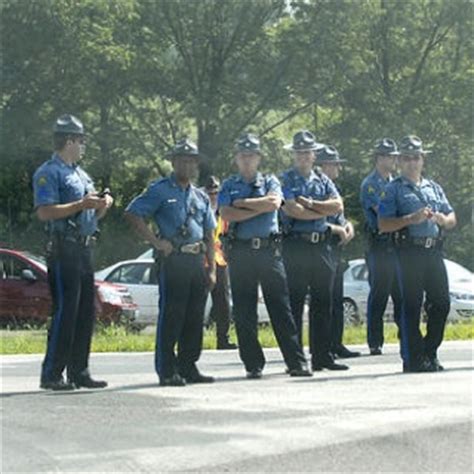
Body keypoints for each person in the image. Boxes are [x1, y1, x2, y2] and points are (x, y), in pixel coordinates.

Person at [218, 132, 311, 379]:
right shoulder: (228, 185)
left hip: (269, 251)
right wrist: (251, 207)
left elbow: (273, 204)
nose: (247, 160)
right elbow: (227, 214)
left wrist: (243, 203)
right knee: (244, 311)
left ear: (258, 157)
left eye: (251, 155)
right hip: (241, 251)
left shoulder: (270, 181)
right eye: (242, 155)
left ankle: (296, 362)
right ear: (236, 158)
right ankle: (253, 364)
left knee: (281, 308)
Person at [125, 138, 217, 386]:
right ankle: (167, 370)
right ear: (174, 162)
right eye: (183, 161)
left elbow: (210, 233)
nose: (188, 166)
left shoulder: (200, 196)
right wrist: (156, 242)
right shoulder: (160, 190)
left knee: (195, 317)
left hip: (196, 260)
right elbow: (133, 213)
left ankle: (188, 366)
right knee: (172, 315)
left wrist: (212, 269)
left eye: (192, 161)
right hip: (173, 259)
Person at [33, 114, 113, 391]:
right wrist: (80, 204)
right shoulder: (48, 172)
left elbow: (89, 214)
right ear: (69, 140)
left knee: (85, 312)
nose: (83, 146)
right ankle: (52, 374)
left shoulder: (82, 174)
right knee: (66, 310)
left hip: (84, 246)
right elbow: (44, 212)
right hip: (63, 246)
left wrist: (101, 205)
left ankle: (79, 371)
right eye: (80, 140)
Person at [379, 135, 456, 372]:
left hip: (433, 250)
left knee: (441, 302)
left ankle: (429, 351)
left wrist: (443, 219)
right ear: (400, 161)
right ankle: (413, 357)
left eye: (416, 158)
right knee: (412, 304)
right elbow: (383, 224)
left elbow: (452, 218)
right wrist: (410, 219)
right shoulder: (393, 189)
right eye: (407, 158)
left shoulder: (433, 187)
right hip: (409, 251)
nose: (412, 162)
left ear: (423, 160)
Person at [281, 131, 348, 371]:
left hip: (321, 244)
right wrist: (321, 211)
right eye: (299, 152)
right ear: (294, 155)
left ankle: (322, 356)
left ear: (313, 155)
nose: (303, 156)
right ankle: (296, 360)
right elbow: (291, 210)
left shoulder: (322, 180)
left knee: (324, 301)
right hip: (296, 244)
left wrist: (310, 204)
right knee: (296, 302)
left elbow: (338, 205)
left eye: (307, 152)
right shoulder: (286, 179)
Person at [315, 145, 360, 359]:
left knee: (336, 300)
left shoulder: (332, 188)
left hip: (336, 248)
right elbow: (315, 219)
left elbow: (340, 217)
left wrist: (347, 226)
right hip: (321, 244)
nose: (338, 169)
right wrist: (337, 229)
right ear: (323, 165)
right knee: (325, 301)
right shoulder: (316, 187)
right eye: (334, 164)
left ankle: (336, 343)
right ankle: (325, 346)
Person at [360, 138, 402, 355]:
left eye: (395, 156)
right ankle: (375, 341)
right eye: (389, 156)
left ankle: (406, 335)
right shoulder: (370, 184)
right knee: (379, 292)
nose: (394, 160)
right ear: (379, 158)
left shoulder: (397, 182)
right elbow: (383, 211)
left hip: (397, 245)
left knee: (401, 292)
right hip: (379, 244)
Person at [203, 175, 237, 350]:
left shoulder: (224, 211)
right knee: (198, 302)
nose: (213, 195)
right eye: (210, 192)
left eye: (216, 191)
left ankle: (223, 339)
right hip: (201, 261)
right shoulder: (200, 208)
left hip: (220, 260)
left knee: (223, 302)